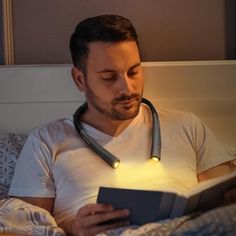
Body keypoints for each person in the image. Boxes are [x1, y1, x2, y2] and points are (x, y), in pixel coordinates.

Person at [8, 15, 236, 236]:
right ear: (80, 79)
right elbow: (23, 227)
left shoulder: (187, 126)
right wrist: (72, 230)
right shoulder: (46, 141)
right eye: (109, 77)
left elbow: (225, 199)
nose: (127, 88)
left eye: (133, 72)